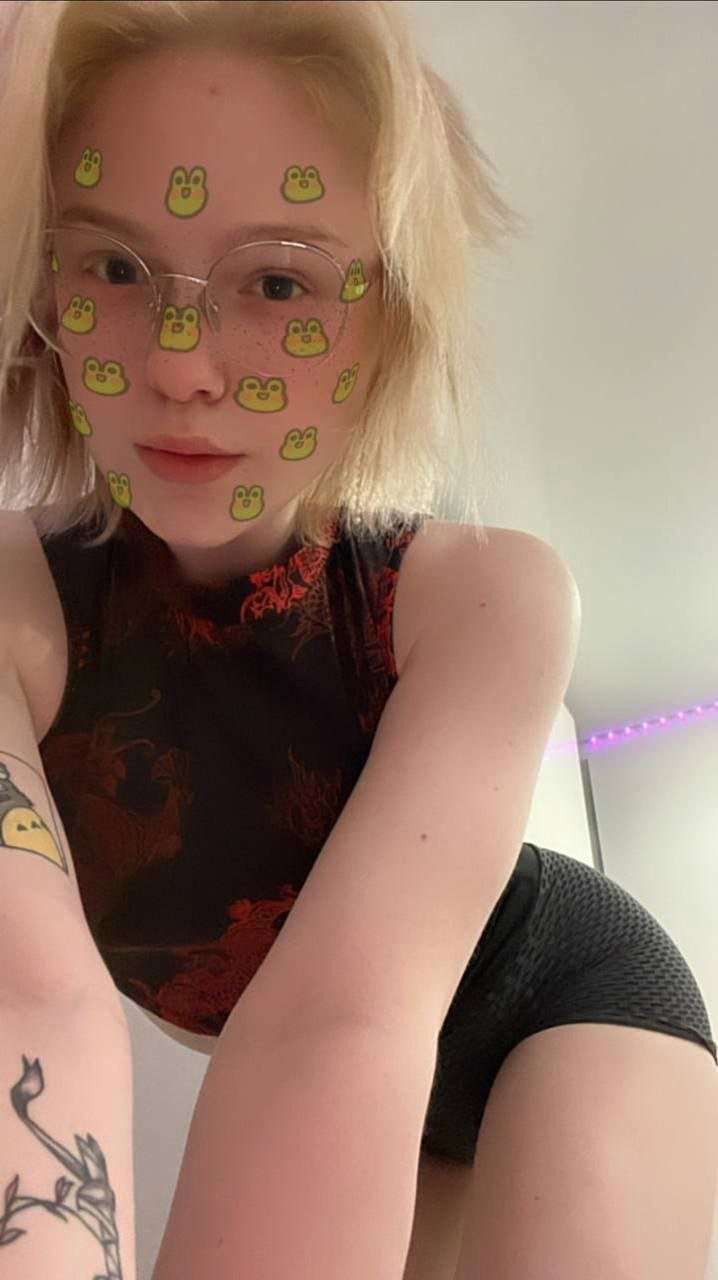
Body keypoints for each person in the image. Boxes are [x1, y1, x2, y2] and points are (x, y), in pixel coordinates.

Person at [0, 4, 716, 1280]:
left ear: (387, 322)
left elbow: (345, 1018)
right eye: (111, 267)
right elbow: (27, 1000)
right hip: (339, 1060)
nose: (182, 365)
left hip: (552, 999)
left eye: (277, 282)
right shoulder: (16, 608)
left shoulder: (482, 595)